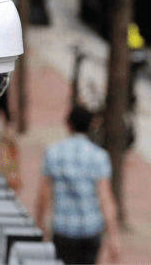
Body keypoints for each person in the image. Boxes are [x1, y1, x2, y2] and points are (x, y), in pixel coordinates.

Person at [34, 106, 121, 264]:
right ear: (91, 126)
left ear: (69, 124)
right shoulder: (99, 156)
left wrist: (39, 222)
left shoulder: (53, 152)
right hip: (90, 229)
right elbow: (105, 199)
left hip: (62, 229)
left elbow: (43, 194)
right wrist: (113, 235)